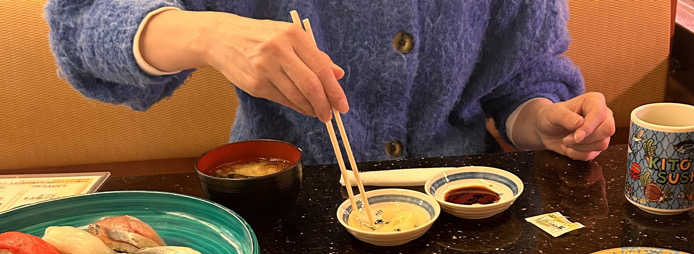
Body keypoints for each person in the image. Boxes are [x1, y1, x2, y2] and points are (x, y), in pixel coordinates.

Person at [45, 1, 615, 165]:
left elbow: (521, 75)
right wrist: (208, 34)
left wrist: (543, 117)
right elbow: (79, 24)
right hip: (290, 203)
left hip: (463, 203)